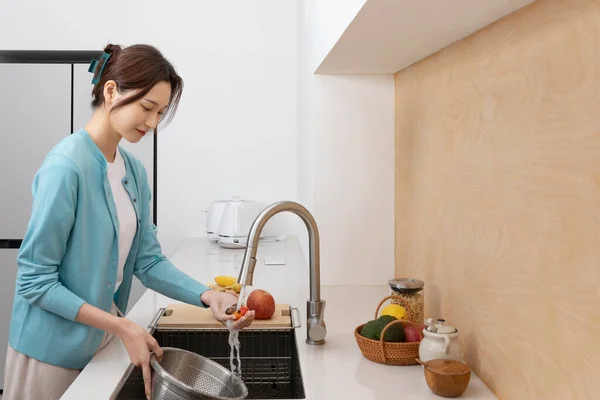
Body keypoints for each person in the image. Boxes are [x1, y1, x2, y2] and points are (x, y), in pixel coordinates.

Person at [2, 43, 255, 400]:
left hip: (97, 341)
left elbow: (148, 261)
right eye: (147, 107)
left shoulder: (133, 171)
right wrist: (122, 326)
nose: (153, 123)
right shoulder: (66, 167)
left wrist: (207, 295)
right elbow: (35, 280)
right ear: (110, 91)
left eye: (160, 112)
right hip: (50, 353)